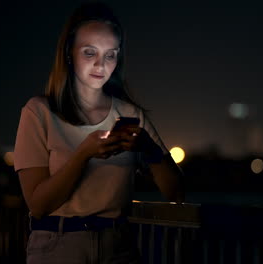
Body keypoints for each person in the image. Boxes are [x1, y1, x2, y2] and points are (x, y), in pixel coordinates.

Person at [13, 2, 185, 263]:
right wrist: (83, 155)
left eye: (110, 54)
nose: (100, 65)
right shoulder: (39, 112)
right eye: (89, 52)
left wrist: (149, 150)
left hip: (118, 246)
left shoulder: (130, 115)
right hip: (58, 246)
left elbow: (177, 192)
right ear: (69, 53)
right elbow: (38, 205)